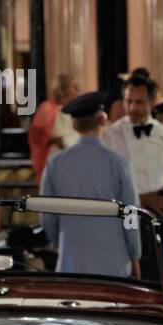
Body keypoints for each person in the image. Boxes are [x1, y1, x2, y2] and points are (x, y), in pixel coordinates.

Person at [40, 90, 141, 277]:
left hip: (71, 262)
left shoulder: (55, 164)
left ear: (74, 125)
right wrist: (135, 253)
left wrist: (58, 242)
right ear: (103, 120)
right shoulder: (119, 163)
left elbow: (47, 216)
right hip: (114, 264)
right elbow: (130, 215)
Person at [101, 69, 163, 215]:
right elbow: (104, 183)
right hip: (125, 214)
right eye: (128, 101)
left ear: (152, 101)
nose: (132, 108)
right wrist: (143, 199)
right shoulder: (109, 135)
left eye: (139, 102)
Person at [27, 73, 79, 181]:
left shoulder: (77, 109)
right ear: (63, 90)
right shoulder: (46, 108)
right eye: (72, 89)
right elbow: (35, 136)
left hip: (74, 157)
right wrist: (52, 140)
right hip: (53, 156)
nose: (75, 92)